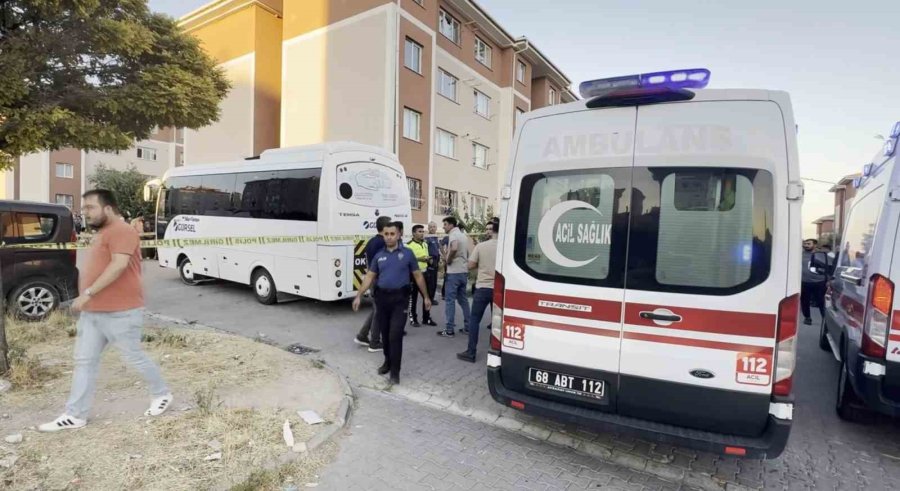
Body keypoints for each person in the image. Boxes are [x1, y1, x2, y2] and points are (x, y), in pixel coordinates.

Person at [39, 190, 172, 432]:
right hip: (93, 312)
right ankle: (75, 415)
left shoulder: (122, 230)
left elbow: (119, 265)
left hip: (120, 311)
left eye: (90, 207)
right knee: (84, 361)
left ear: (108, 208)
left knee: (133, 357)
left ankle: (162, 394)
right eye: (84, 208)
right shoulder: (103, 232)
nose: (85, 213)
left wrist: (87, 293)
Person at [352, 221, 430, 384]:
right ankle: (387, 361)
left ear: (399, 234)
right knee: (386, 336)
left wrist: (426, 297)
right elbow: (369, 276)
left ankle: (395, 372)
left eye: (392, 234)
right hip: (382, 299)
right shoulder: (379, 255)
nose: (389, 237)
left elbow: (418, 275)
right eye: (386, 234)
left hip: (400, 300)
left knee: (395, 335)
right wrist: (359, 295)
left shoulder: (407, 253)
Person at [457, 220, 498, 362]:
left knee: (474, 320)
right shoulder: (506, 246)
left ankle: (471, 352)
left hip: (483, 288)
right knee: (497, 322)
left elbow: (470, 265)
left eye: (489, 229)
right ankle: (495, 352)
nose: (487, 231)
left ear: (492, 231)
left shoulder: (481, 246)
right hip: (499, 290)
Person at [354, 215, 392, 352]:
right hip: (380, 280)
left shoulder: (371, 241)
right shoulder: (383, 243)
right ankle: (374, 342)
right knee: (379, 312)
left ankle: (362, 335)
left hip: (373, 279)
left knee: (376, 309)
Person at [437, 216, 471, 338]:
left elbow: (454, 247)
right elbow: (468, 253)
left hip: (454, 272)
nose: (443, 227)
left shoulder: (453, 234)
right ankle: (468, 327)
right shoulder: (463, 236)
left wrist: (448, 259)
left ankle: (449, 330)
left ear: (451, 225)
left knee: (450, 301)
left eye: (445, 224)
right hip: (463, 271)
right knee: (463, 300)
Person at [406, 225, 433, 327]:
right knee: (413, 298)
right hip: (413, 275)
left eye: (423, 231)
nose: (422, 233)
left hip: (425, 273)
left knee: (427, 296)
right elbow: (407, 261)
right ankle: (413, 319)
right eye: (419, 231)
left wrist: (429, 260)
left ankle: (426, 318)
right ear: (414, 233)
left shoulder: (425, 244)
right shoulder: (408, 245)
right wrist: (419, 259)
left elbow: (426, 256)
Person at [801, 238, 827, 325]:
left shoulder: (821, 255)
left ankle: (825, 320)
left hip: (819, 282)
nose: (806, 245)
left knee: (821, 301)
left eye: (809, 244)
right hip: (804, 282)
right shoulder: (800, 255)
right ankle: (807, 318)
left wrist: (828, 279)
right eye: (805, 244)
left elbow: (827, 267)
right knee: (804, 301)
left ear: (815, 245)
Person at [425, 222, 441, 308]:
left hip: (436, 260)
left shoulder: (436, 237)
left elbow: (437, 249)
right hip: (431, 261)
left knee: (434, 281)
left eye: (434, 226)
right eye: (431, 227)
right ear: (428, 228)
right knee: (431, 282)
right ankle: (429, 299)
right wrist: (429, 259)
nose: (432, 228)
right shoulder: (427, 238)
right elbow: (425, 249)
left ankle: (432, 298)